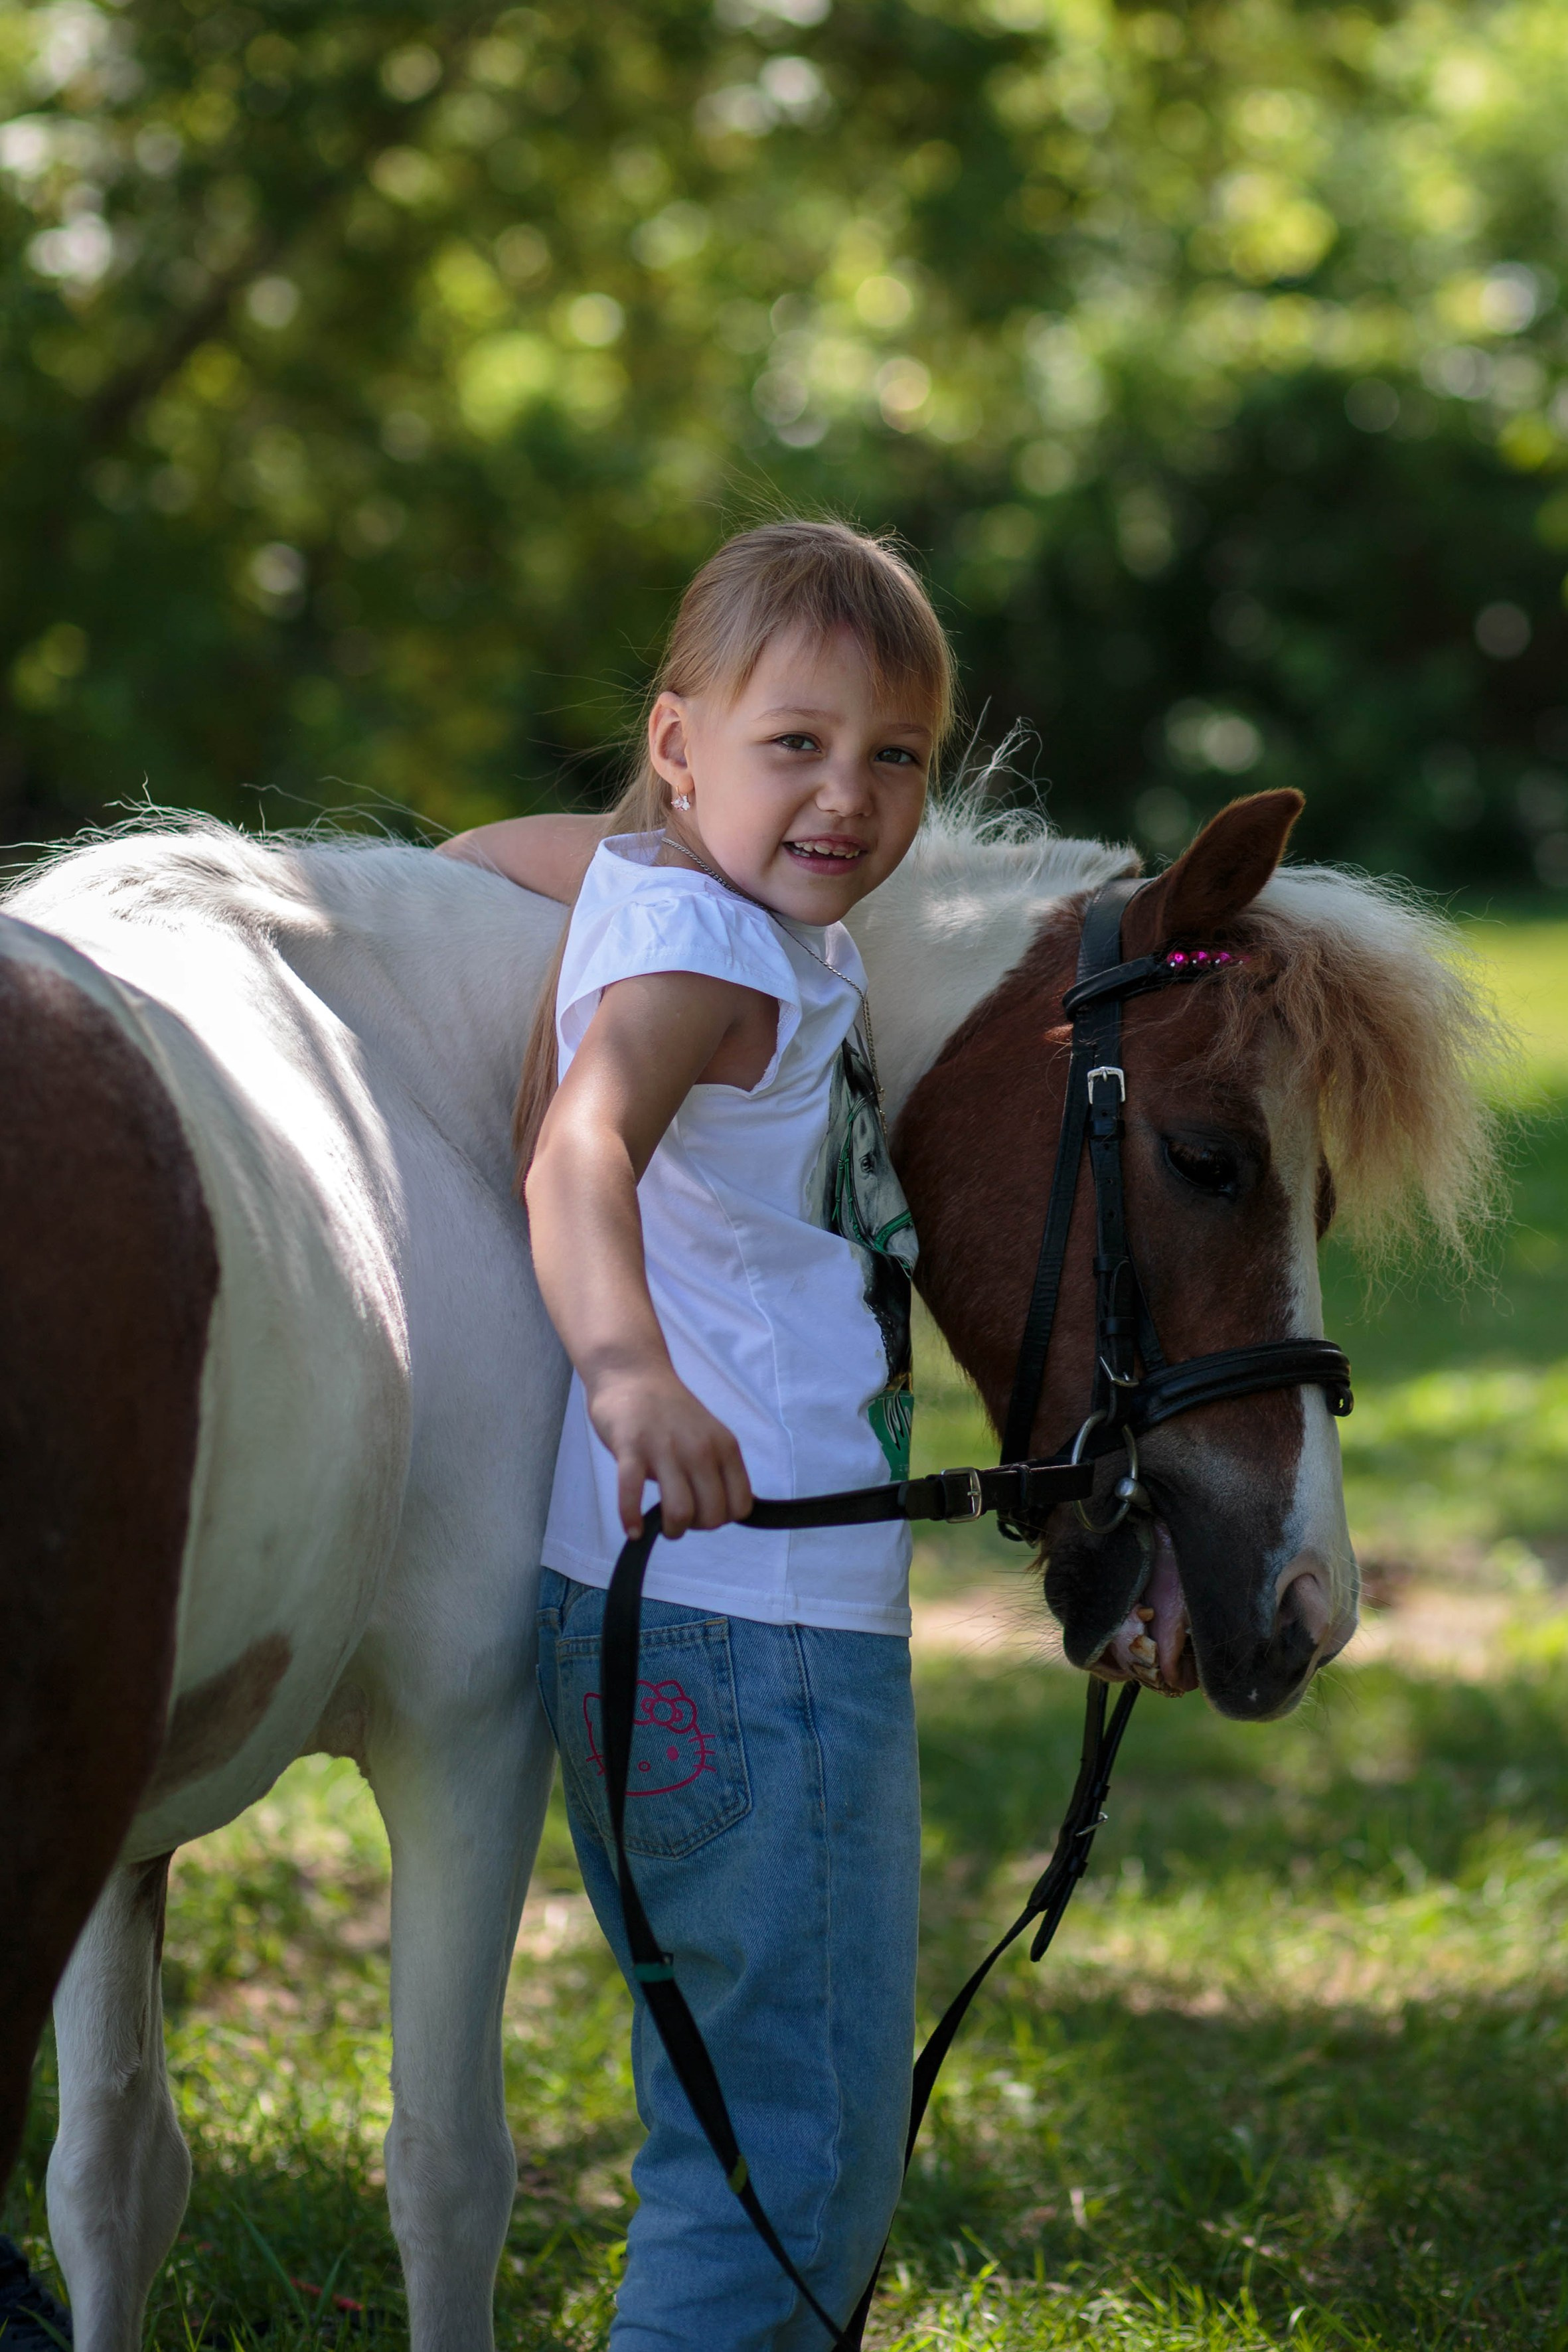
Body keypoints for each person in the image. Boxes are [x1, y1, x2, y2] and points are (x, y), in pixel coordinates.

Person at [441, 518, 954, 2350]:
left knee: (738, 2121)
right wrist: (626, 1369)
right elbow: (579, 1149)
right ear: (677, 743)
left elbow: (475, 857)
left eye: (895, 754)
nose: (850, 796)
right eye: (795, 745)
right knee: (790, 2160)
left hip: (670, 1603)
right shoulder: (710, 965)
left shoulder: (674, 894)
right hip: (759, 1618)